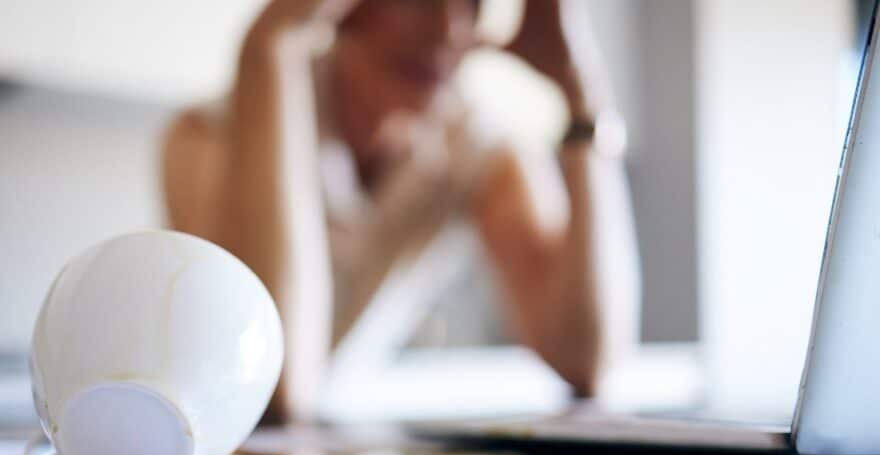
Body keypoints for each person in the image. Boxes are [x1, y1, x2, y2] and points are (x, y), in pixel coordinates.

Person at [163, 0, 640, 423]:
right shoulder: (206, 135)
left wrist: (583, 98)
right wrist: (270, 44)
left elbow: (588, 359)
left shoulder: (473, 146)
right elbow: (274, 389)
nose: (449, 30)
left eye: (471, 3)